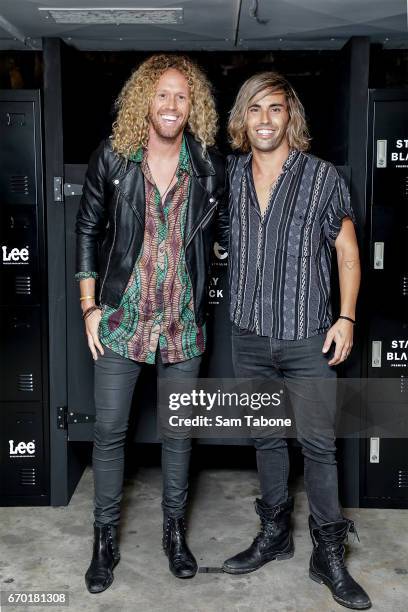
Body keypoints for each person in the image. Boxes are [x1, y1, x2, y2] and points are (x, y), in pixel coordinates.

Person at [75, 54, 228, 593]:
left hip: (182, 326)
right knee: (110, 434)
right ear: (145, 99)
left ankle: (173, 534)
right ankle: (103, 539)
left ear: (194, 107)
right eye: (162, 94)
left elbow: (221, 236)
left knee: (178, 435)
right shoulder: (115, 159)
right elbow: (88, 229)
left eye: (182, 97)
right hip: (121, 323)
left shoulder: (207, 167)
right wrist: (91, 307)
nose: (171, 105)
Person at [223, 71, 371, 610]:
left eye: (276, 109)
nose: (265, 120)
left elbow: (348, 252)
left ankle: (327, 554)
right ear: (243, 118)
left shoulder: (322, 177)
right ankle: (275, 534)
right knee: (265, 439)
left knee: (318, 446)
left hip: (309, 333)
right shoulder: (231, 177)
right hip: (249, 333)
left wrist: (347, 317)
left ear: (291, 117)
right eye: (255, 109)